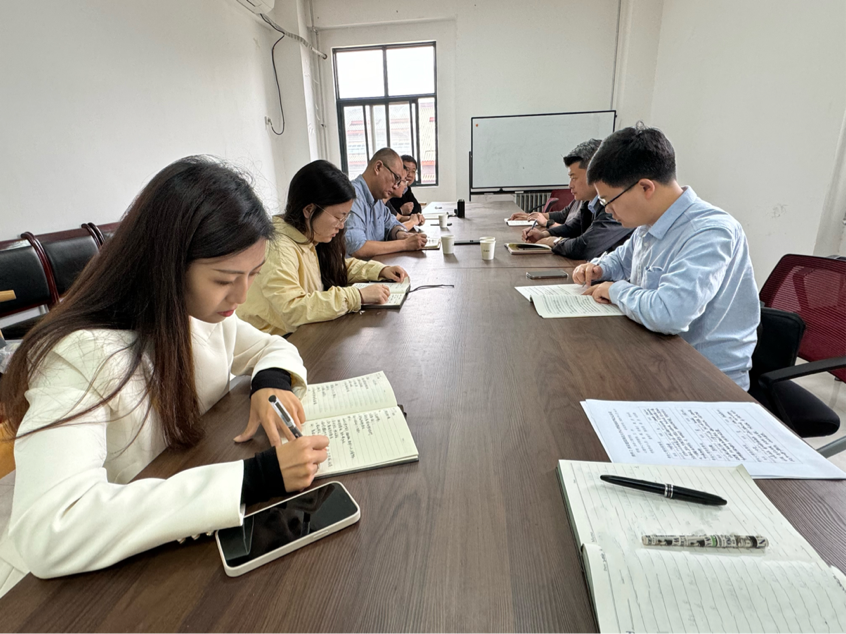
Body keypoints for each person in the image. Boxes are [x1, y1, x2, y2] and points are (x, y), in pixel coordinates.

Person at [0, 156, 329, 595]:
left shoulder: (200, 313)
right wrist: (255, 478)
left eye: (253, 274)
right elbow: (52, 527)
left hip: (174, 528)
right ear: (166, 265)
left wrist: (271, 383)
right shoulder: (81, 355)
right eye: (225, 279)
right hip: (104, 577)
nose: (241, 294)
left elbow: (271, 346)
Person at [573, 124, 759, 389]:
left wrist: (614, 290)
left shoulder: (710, 232)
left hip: (705, 379)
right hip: (656, 354)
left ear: (645, 187)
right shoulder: (648, 224)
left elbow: (670, 313)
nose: (608, 210)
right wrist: (598, 269)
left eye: (608, 200)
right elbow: (622, 260)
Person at [237, 160, 409, 336]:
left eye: (345, 218)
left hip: (299, 335)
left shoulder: (308, 237)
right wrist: (357, 296)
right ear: (309, 210)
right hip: (277, 342)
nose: (341, 226)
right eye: (338, 217)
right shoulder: (278, 247)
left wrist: (380, 270)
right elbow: (293, 309)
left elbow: (336, 266)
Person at [520, 139, 632, 260]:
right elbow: (573, 227)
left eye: (574, 178)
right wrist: (544, 234)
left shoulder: (616, 205)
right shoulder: (591, 201)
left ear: (594, 173)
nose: (570, 185)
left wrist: (555, 241)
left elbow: (584, 248)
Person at [344, 148, 428, 258]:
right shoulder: (353, 196)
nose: (396, 186)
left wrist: (401, 234)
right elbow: (357, 247)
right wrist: (404, 244)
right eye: (396, 178)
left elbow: (391, 224)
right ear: (378, 167)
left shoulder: (377, 199)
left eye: (399, 182)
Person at [388, 154, 423, 220]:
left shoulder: (407, 189)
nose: (410, 175)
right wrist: (401, 211)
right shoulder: (390, 190)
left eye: (413, 171)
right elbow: (388, 217)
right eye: (406, 170)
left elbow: (417, 208)